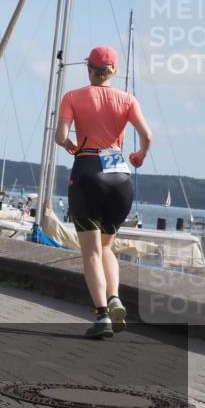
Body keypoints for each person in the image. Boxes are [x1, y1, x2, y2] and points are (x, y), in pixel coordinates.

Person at [54, 46, 152, 340]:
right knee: (107, 246)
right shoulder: (127, 99)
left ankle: (101, 317)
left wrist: (68, 146)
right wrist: (140, 156)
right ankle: (115, 298)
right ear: (114, 71)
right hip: (120, 175)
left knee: (92, 252)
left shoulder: (73, 97)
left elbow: (60, 136)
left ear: (89, 69)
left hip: (87, 171)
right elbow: (147, 136)